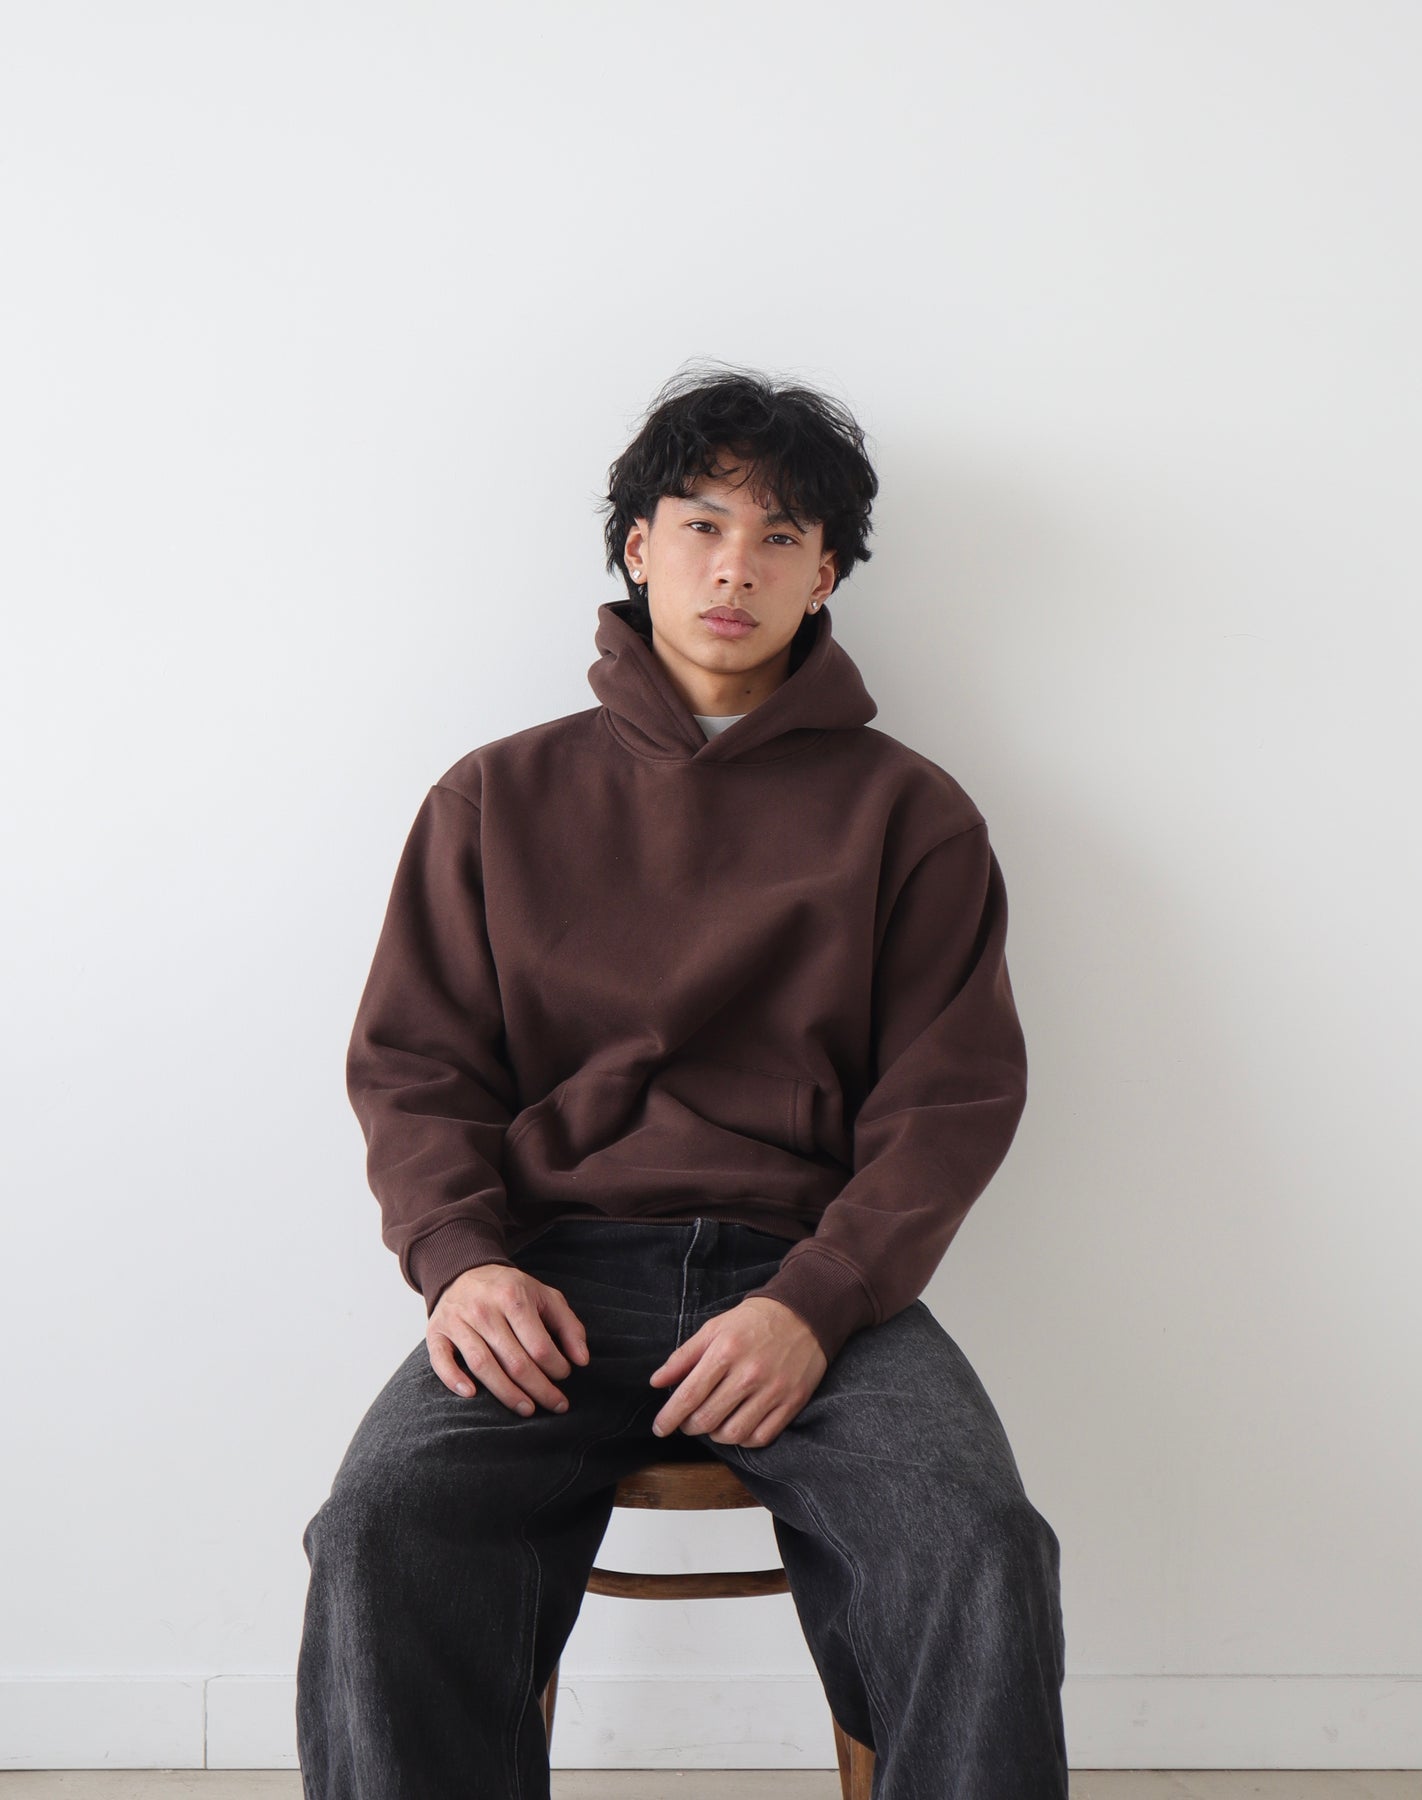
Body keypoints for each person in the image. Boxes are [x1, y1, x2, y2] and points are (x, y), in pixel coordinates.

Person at [296, 363, 1070, 1797]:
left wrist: (817, 1301)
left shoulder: (910, 813)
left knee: (980, 1544)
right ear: (637, 545)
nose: (735, 567)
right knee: (379, 1530)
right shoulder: (496, 797)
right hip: (550, 1279)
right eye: (702, 523)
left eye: (780, 536)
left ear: (825, 574)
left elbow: (949, 1101)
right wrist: (462, 1260)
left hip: (813, 1280)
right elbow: (415, 1067)